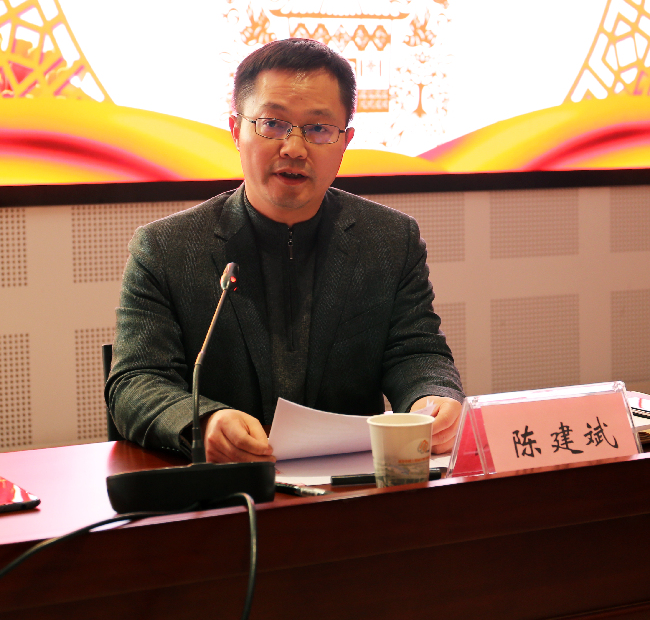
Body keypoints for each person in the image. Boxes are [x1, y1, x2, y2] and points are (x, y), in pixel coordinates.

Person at [106, 38, 463, 463]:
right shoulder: (165, 249)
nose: (293, 148)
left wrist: (433, 398)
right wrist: (204, 421)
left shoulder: (390, 240)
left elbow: (416, 352)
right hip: (227, 487)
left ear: (345, 141)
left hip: (350, 485)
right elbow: (136, 382)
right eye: (273, 124)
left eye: (318, 129)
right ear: (236, 130)